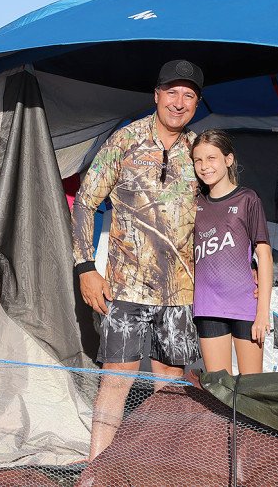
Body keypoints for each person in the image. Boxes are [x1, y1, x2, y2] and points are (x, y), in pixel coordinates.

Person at [71, 60, 204, 460]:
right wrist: (85, 268)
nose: (178, 103)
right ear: (157, 95)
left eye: (189, 95)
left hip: (180, 293)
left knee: (171, 388)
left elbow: (222, 210)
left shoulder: (200, 150)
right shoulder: (124, 140)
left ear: (197, 102)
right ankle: (96, 471)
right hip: (125, 289)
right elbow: (85, 203)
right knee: (115, 381)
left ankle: (161, 468)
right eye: (172, 93)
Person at [191, 129, 273, 375]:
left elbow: (265, 256)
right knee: (219, 389)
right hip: (207, 307)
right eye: (198, 160)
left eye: (211, 158)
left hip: (245, 305)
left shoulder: (247, 199)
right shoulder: (193, 203)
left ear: (228, 160)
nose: (204, 166)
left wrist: (262, 313)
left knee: (250, 388)